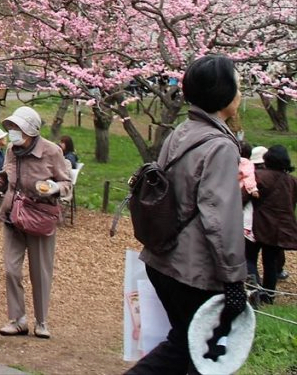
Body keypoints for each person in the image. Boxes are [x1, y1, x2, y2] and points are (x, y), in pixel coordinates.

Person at [125, 55, 247, 374]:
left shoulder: (182, 131)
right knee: (196, 352)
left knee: (184, 347)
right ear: (223, 93)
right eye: (237, 83)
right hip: (191, 271)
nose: (241, 90)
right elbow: (220, 219)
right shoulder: (220, 146)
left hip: (162, 260)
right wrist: (234, 278)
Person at [0, 106, 71, 339]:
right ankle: (17, 319)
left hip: (40, 217)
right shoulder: (12, 151)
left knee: (40, 272)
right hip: (12, 214)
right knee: (11, 270)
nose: (12, 132)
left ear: (31, 131)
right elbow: (5, 174)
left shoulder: (52, 152)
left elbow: (67, 184)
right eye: (11, 127)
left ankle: (41, 321)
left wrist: (54, 188)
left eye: (17, 128)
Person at [246, 145, 297, 304]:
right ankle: (268, 297)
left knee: (250, 258)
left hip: (258, 225)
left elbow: (244, 197)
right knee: (271, 263)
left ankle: (254, 293)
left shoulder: (258, 176)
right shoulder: (292, 181)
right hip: (281, 228)